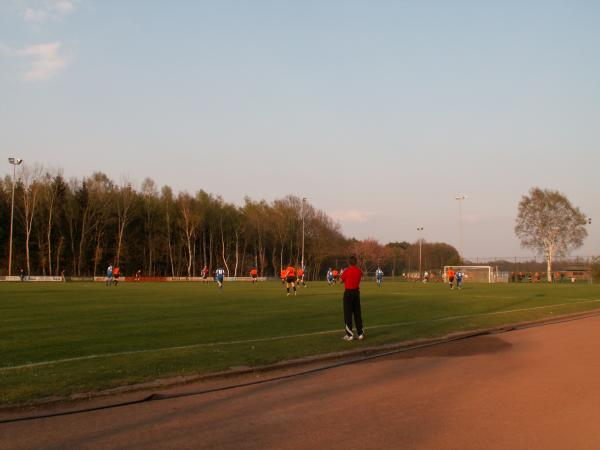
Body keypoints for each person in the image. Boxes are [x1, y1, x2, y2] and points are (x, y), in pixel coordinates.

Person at [341, 255, 364, 341]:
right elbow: (360, 276)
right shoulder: (359, 271)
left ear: (349, 262)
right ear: (356, 262)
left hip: (348, 293)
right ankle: (360, 333)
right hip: (356, 293)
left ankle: (349, 335)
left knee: (348, 314)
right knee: (357, 313)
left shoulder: (346, 271)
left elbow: (341, 280)